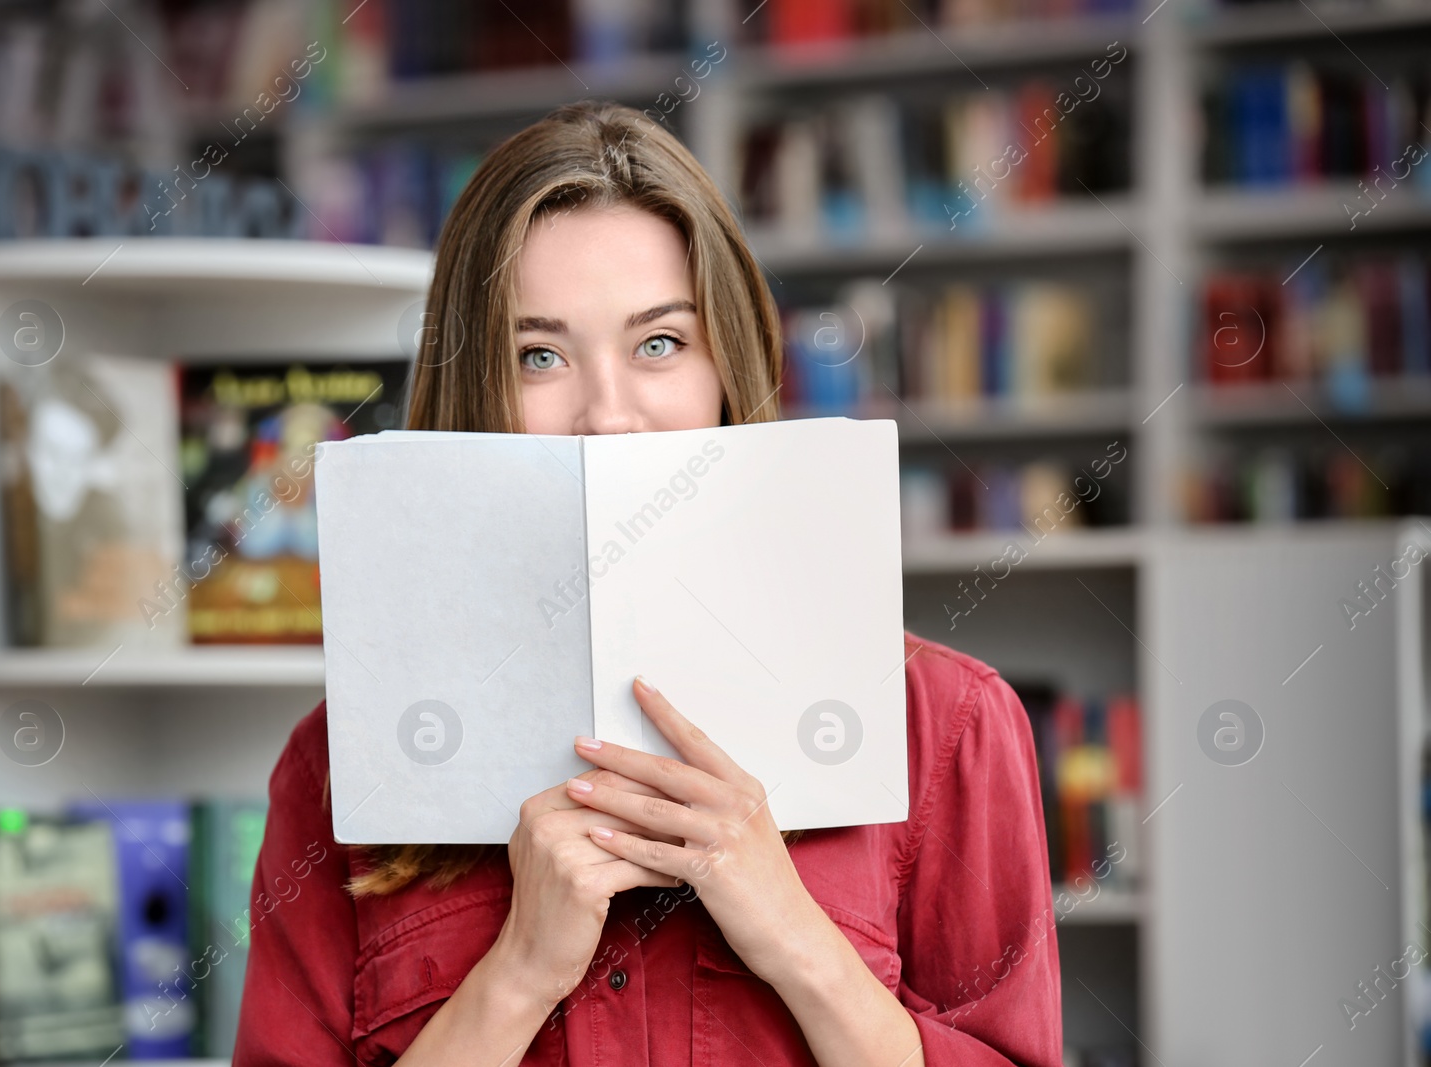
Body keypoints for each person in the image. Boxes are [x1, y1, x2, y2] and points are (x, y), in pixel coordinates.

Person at [234, 100, 1061, 1066]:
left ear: (727, 364)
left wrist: (795, 938)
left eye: (659, 342)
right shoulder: (339, 765)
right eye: (537, 355)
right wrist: (518, 973)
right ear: (472, 392)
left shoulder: (948, 724)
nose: (607, 416)